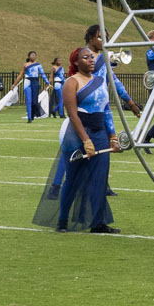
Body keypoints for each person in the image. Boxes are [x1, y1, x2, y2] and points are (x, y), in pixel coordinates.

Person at [34, 47, 122, 234]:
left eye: (92, 57)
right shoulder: (71, 82)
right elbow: (72, 114)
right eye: (85, 57)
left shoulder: (99, 80)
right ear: (75, 62)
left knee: (100, 177)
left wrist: (112, 137)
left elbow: (106, 109)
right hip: (77, 132)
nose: (91, 60)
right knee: (73, 178)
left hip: (99, 132)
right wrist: (85, 140)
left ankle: (98, 223)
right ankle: (62, 222)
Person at [11, 51, 47, 123]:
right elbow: (20, 75)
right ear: (28, 57)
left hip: (35, 82)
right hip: (27, 82)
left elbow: (43, 74)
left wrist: (48, 83)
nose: (33, 56)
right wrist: (14, 84)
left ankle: (33, 114)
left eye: (34, 55)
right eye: (32, 55)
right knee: (28, 100)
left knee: (34, 102)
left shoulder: (38, 65)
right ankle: (29, 118)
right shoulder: (25, 65)